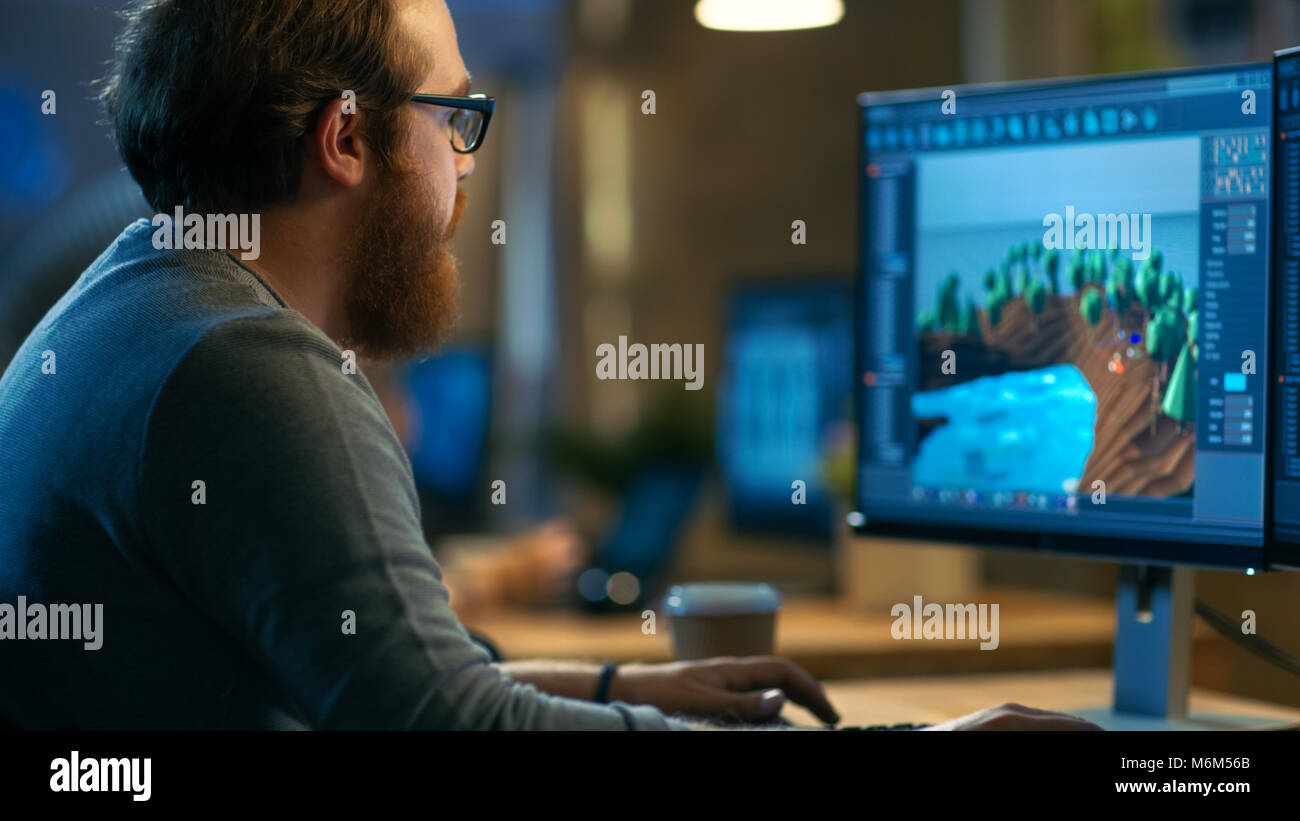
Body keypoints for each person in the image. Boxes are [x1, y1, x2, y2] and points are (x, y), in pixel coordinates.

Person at [0, 0, 1098, 731]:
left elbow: (381, 676)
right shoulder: (249, 364)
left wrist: (624, 684)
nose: (463, 171)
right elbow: (443, 725)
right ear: (344, 139)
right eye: (454, 118)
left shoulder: (142, 297)